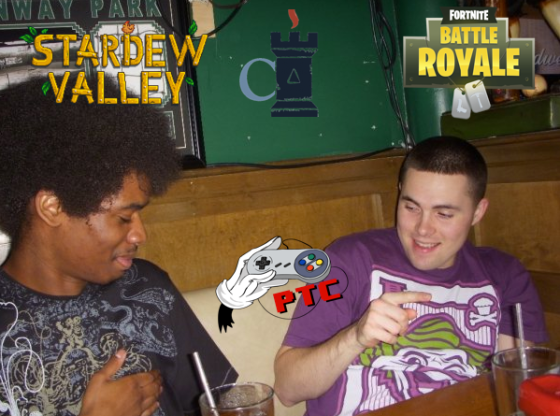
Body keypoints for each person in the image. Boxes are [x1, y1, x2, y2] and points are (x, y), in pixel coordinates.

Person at [0, 77, 237, 416]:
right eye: (124, 218)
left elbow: (221, 404)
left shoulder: (147, 289)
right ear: (52, 208)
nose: (140, 235)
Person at [274, 136, 548, 415]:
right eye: (411, 207)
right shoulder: (348, 259)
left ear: (477, 212)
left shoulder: (506, 275)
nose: (422, 229)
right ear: (399, 192)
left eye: (444, 214)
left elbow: (516, 388)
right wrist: (355, 336)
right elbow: (287, 389)